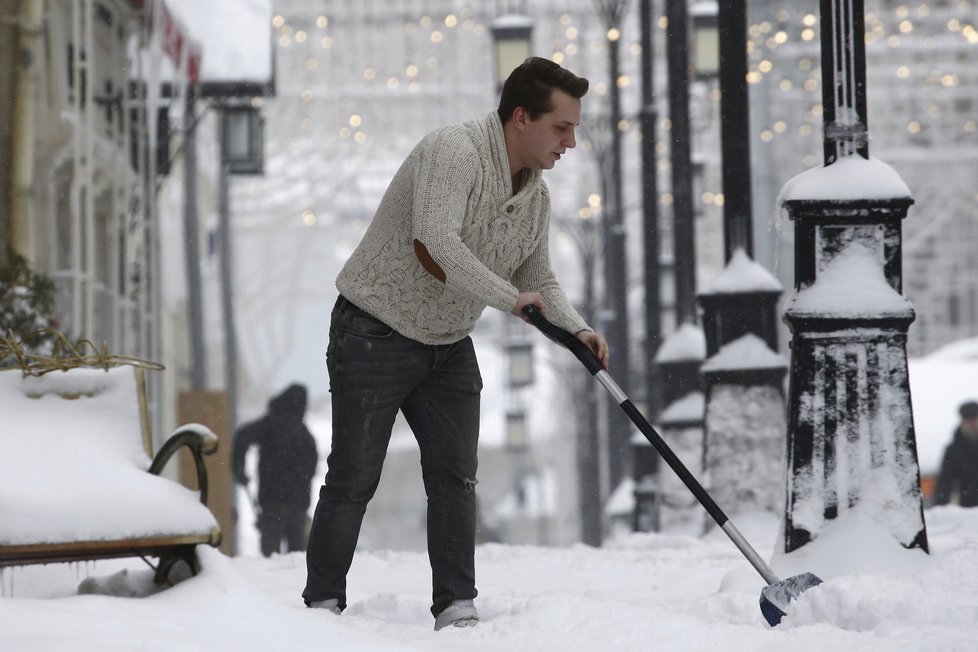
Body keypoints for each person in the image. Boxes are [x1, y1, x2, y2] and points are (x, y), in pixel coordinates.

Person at [301, 56, 609, 630]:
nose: (571, 140)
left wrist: (578, 329)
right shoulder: (454, 152)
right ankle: (321, 607)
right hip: (375, 329)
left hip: (447, 340)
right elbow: (434, 244)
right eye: (562, 127)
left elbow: (537, 279)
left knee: (454, 478)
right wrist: (508, 298)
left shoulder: (535, 198)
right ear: (522, 117)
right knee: (353, 476)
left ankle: (455, 604)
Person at [233, 383, 319, 557]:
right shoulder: (304, 434)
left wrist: (239, 468)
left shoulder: (270, 423)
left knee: (270, 557)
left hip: (272, 502)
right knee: (298, 560)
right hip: (297, 506)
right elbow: (312, 467)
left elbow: (242, 437)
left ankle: (271, 584)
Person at [934, 400, 978, 507]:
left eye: (975, 419)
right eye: (969, 420)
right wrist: (940, 507)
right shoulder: (953, 450)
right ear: (963, 421)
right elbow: (945, 482)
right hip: (967, 509)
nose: (973, 424)